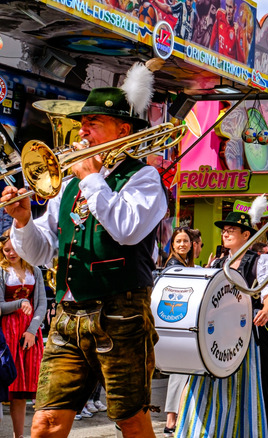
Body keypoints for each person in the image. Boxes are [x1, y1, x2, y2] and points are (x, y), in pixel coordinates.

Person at [0, 62, 166, 436]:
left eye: (94, 122)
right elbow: (42, 253)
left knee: (132, 421)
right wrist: (24, 220)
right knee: (45, 422)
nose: (82, 130)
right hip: (68, 315)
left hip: (121, 314)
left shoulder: (144, 177)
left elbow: (125, 229)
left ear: (122, 130)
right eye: (82, 122)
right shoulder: (68, 184)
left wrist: (92, 178)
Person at [176, 210, 268, 438]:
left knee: (256, 386)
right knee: (213, 385)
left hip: (250, 333)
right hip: (219, 335)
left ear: (246, 235)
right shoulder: (217, 262)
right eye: (224, 231)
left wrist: (266, 308)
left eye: (231, 230)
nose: (225, 234)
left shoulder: (260, 260)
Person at [0, 231, 46, 438]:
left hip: (28, 334)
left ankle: (18, 436)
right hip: (6, 332)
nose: (10, 253)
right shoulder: (1, 272)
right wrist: (20, 303)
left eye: (13, 248)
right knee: (6, 383)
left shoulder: (34, 271)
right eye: (6, 250)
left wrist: (31, 331)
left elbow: (42, 305)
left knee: (20, 391)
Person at [160, 227, 195, 437]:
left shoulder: (183, 264)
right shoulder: (174, 265)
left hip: (180, 322)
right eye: (178, 241)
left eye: (186, 241)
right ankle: (171, 420)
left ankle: (174, 418)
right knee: (179, 373)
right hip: (177, 322)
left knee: (181, 372)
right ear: (172, 244)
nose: (182, 244)